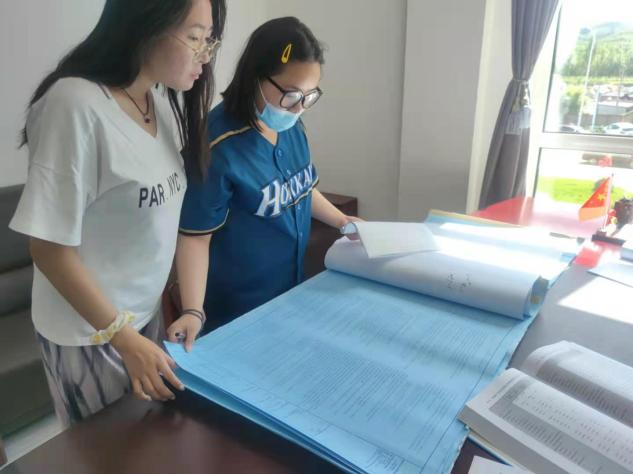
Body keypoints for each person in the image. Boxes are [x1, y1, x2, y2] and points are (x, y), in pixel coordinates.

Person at [9, 0, 226, 427]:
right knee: (105, 451)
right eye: (195, 38)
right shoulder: (74, 105)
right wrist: (120, 336)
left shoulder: (155, 100)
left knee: (152, 441)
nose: (205, 56)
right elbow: (48, 248)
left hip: (140, 320)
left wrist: (185, 310)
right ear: (146, 25)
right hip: (90, 332)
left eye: (209, 40)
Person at [168, 17, 360, 350]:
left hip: (288, 292)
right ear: (256, 77)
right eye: (291, 94)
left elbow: (301, 190)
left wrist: (343, 221)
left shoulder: (291, 126)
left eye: (309, 96)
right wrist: (193, 311)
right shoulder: (217, 147)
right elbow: (195, 237)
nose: (299, 107)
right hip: (237, 309)